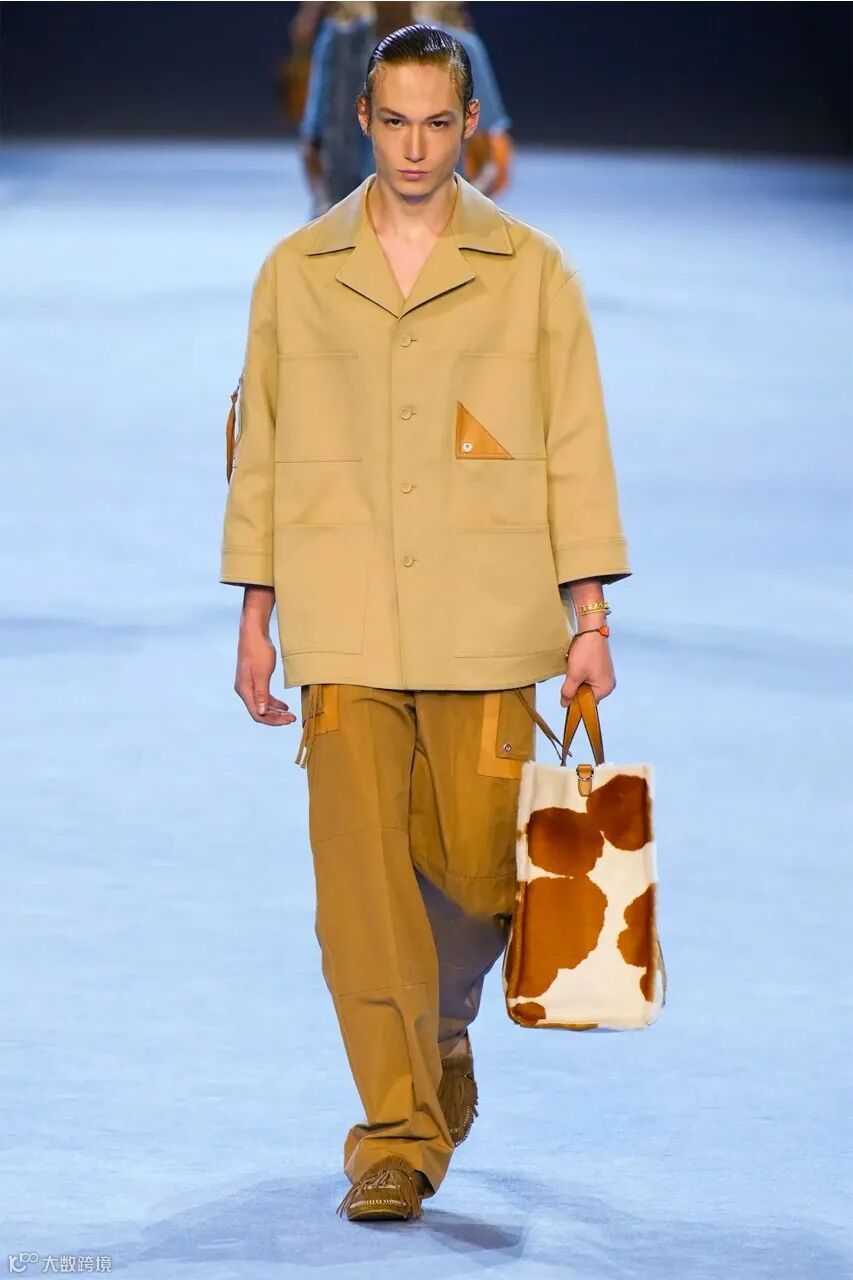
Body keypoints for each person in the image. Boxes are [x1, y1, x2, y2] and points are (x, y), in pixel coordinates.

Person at [220, 22, 631, 1223]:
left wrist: (589, 616)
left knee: (482, 876)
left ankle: (442, 1026)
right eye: (393, 122)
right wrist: (256, 613)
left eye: (435, 124)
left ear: (468, 125)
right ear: (362, 121)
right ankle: (394, 1134)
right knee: (359, 898)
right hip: (343, 611)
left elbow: (575, 445)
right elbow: (262, 450)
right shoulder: (296, 271)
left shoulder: (534, 272)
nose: (413, 147)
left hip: (486, 613)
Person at [299, 2, 513, 217]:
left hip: (440, 220)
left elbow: (490, 162)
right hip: (348, 220)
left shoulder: (462, 49)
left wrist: (465, 213)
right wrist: (328, 212)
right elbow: (312, 147)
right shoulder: (336, 48)